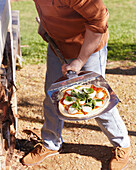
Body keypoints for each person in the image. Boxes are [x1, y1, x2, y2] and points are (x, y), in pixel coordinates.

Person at [22, 0, 131, 169]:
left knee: (95, 99)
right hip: (58, 43)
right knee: (53, 97)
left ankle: (122, 144)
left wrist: (80, 61)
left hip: (89, 47)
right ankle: (51, 144)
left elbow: (98, 20)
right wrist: (45, 24)